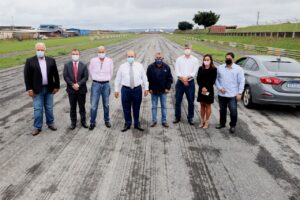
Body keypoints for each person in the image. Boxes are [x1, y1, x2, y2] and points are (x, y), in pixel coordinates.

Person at [24, 42, 60, 136]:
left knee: (49, 107)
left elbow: (56, 74)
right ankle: (37, 127)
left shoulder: (51, 60)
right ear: (35, 50)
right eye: (38, 50)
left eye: (42, 49)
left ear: (45, 50)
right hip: (36, 90)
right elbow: (26, 77)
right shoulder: (30, 61)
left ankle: (50, 123)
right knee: (38, 108)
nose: (40, 51)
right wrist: (29, 89)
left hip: (49, 89)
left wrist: (57, 86)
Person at [114, 50, 149, 132]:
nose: (130, 58)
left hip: (137, 89)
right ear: (126, 57)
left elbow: (144, 77)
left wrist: (146, 88)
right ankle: (127, 123)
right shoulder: (122, 66)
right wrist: (116, 90)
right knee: (126, 107)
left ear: (135, 57)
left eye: (132, 56)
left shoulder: (139, 66)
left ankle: (137, 123)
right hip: (125, 90)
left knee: (137, 107)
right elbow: (118, 79)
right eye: (129, 56)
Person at [215, 52, 245, 133]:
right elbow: (216, 79)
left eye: (229, 58)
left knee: (233, 110)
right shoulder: (220, 68)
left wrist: (240, 93)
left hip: (233, 94)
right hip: (222, 94)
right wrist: (220, 88)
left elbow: (241, 81)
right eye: (226, 58)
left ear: (233, 59)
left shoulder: (238, 69)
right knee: (222, 110)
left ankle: (232, 125)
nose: (228, 59)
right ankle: (222, 123)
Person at [88, 46, 114, 130]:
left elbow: (111, 72)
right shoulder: (93, 60)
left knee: (106, 104)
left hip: (106, 84)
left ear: (105, 51)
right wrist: (96, 80)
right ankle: (92, 122)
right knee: (93, 105)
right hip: (96, 84)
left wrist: (106, 79)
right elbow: (90, 72)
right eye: (100, 52)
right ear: (97, 52)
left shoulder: (109, 61)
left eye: (103, 52)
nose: (101, 53)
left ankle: (106, 120)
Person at [173, 44, 199, 125]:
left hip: (190, 83)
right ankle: (177, 117)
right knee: (178, 100)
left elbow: (194, 72)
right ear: (184, 49)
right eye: (186, 48)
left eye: (189, 48)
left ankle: (190, 118)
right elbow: (177, 71)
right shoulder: (179, 59)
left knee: (191, 101)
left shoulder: (195, 60)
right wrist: (183, 79)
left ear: (191, 49)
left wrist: (187, 78)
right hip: (180, 82)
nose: (187, 49)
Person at [63, 49, 89, 130]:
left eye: (76, 54)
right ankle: (73, 123)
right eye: (73, 54)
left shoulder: (83, 65)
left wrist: (78, 84)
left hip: (81, 90)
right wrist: (72, 84)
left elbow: (86, 77)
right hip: (71, 90)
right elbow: (65, 76)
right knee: (72, 107)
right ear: (71, 55)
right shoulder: (67, 65)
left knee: (82, 107)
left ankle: (83, 121)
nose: (75, 55)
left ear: (79, 55)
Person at [147, 52, 173, 128]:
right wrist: (149, 88)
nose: (159, 59)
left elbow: (170, 79)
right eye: (157, 58)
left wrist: (167, 88)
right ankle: (154, 121)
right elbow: (147, 79)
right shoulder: (150, 67)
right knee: (154, 106)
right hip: (154, 91)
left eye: (160, 58)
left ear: (162, 58)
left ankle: (164, 121)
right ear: (155, 58)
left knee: (164, 106)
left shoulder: (167, 67)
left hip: (163, 91)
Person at [196, 54, 217, 129]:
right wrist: (202, 87)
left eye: (208, 59)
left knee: (208, 105)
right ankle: (202, 121)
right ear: (203, 60)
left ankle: (207, 121)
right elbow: (198, 79)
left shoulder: (214, 69)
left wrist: (206, 88)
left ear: (211, 60)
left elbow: (213, 80)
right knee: (202, 105)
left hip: (209, 90)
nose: (206, 61)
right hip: (201, 89)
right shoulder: (200, 68)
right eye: (205, 59)